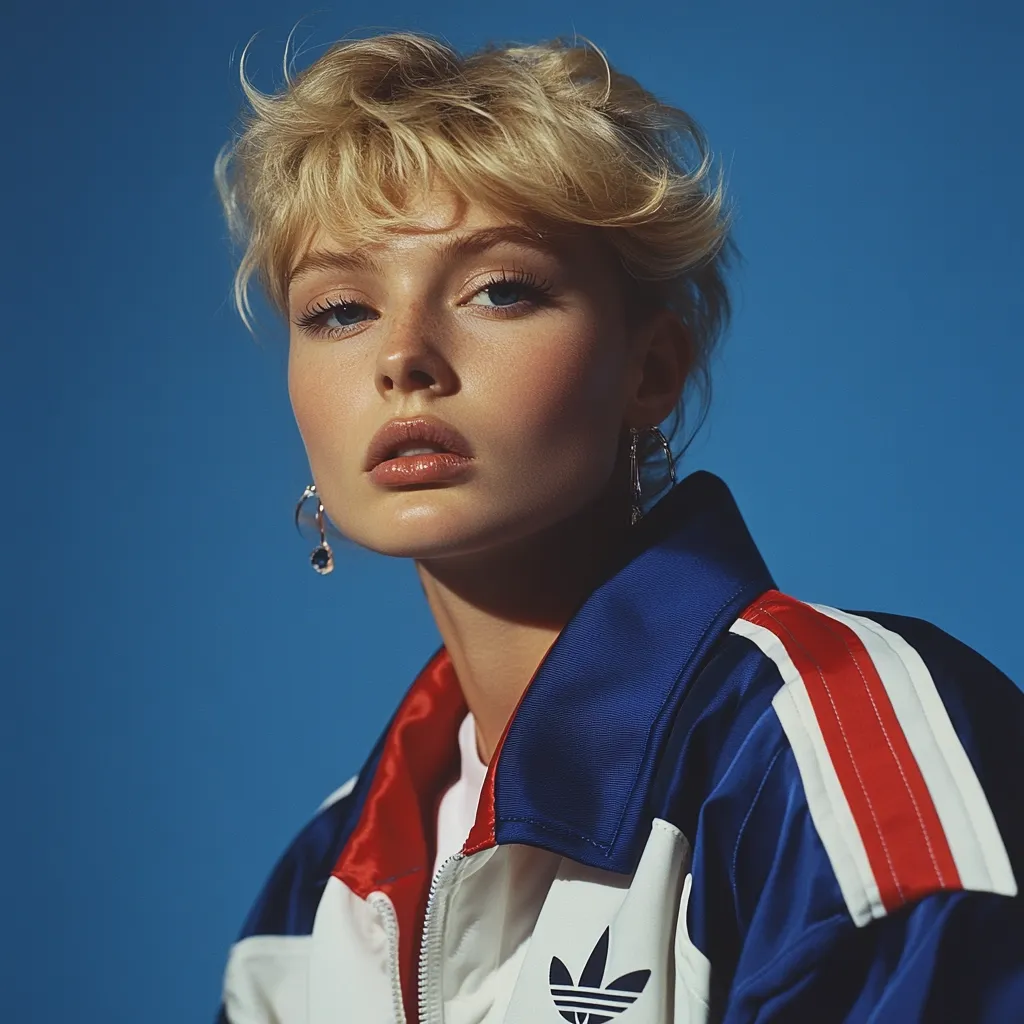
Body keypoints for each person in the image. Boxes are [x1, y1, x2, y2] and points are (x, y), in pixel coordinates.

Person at [212, 30, 1024, 1024]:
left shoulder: (840, 735)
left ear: (650, 369)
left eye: (499, 289)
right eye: (339, 310)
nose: (403, 358)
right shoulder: (314, 896)